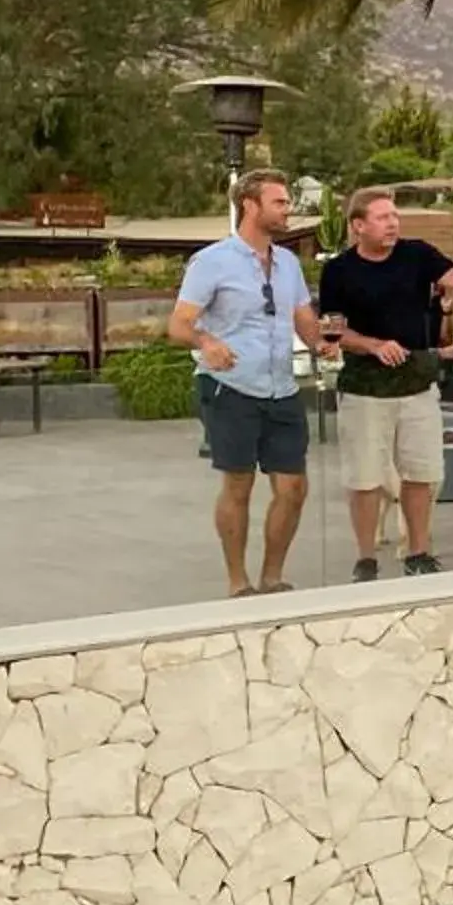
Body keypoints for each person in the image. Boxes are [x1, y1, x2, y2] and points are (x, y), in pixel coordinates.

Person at [317, 187, 453, 581]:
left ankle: (419, 551)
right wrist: (372, 345)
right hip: (364, 388)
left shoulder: (417, 254)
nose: (393, 223)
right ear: (358, 225)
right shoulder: (339, 270)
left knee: (422, 473)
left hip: (416, 383)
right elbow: (331, 331)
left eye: (394, 215)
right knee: (364, 477)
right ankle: (366, 558)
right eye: (382, 217)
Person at [171, 170, 322, 597]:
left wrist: (321, 343)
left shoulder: (289, 263)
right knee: (239, 483)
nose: (288, 209)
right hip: (230, 387)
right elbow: (179, 325)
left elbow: (305, 320)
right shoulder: (212, 261)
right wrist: (206, 341)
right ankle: (238, 582)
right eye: (279, 202)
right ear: (251, 206)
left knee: (293, 487)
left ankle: (272, 576)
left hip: (282, 388)